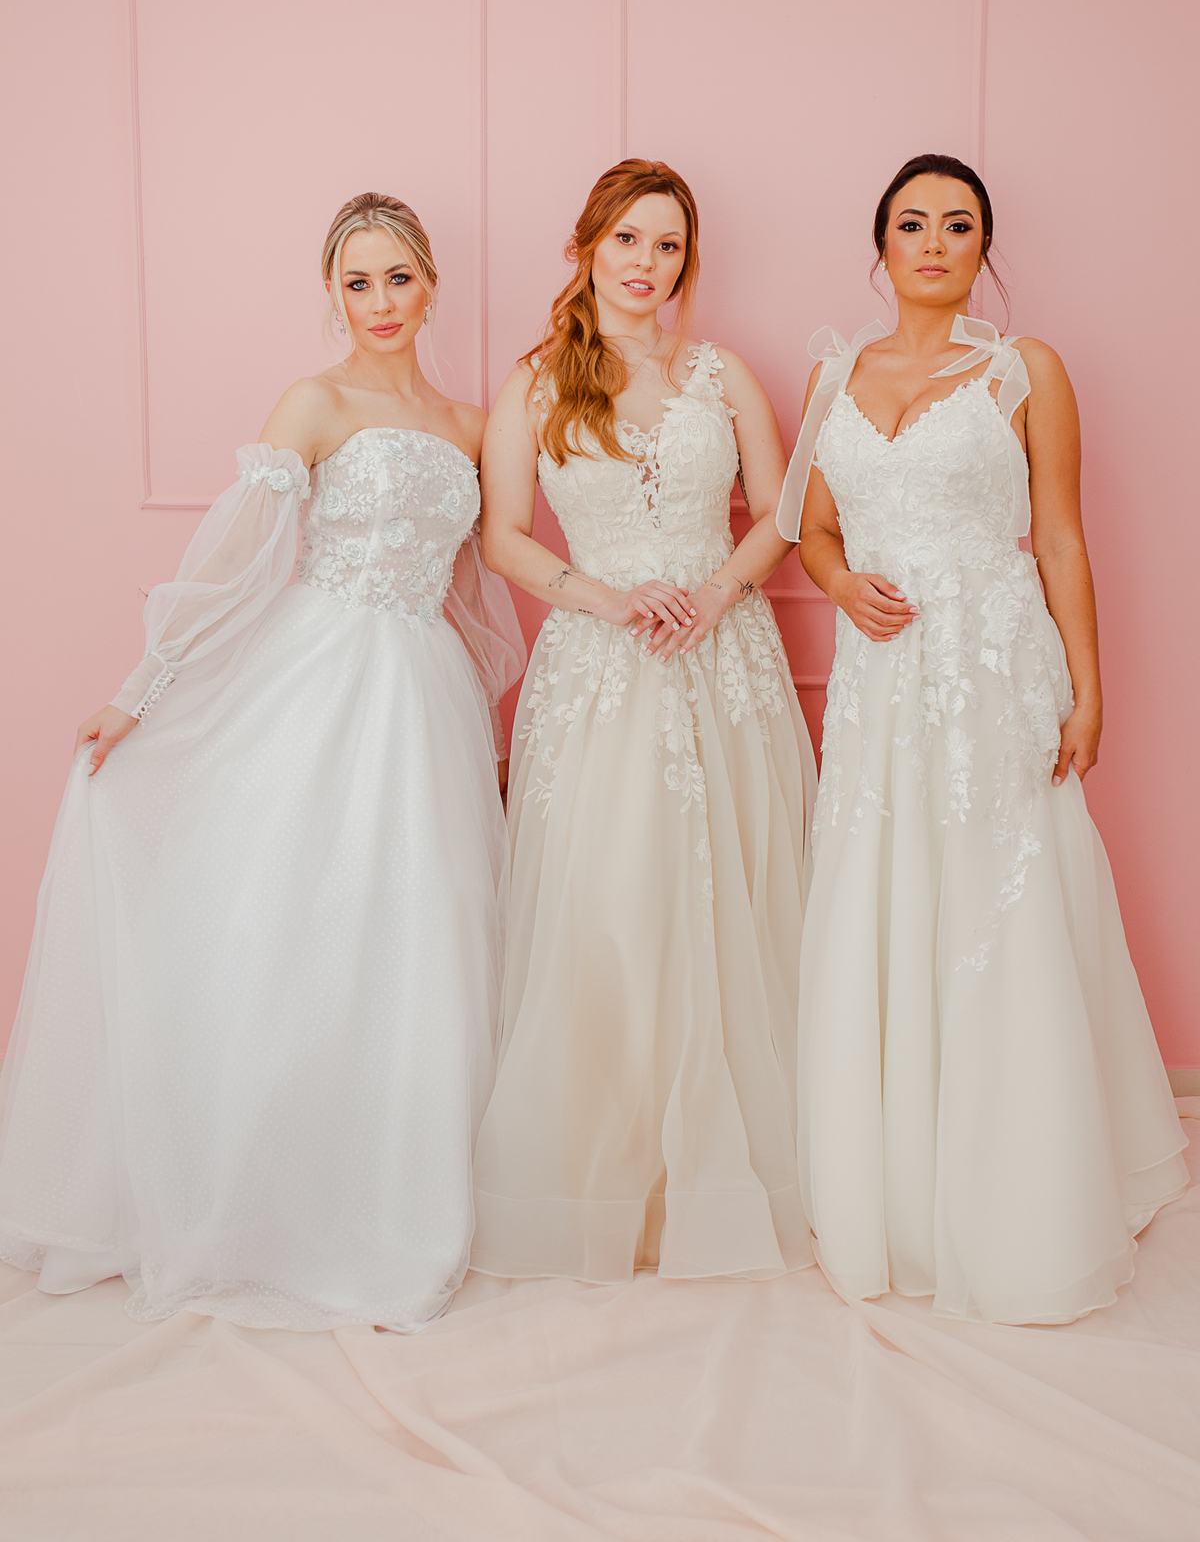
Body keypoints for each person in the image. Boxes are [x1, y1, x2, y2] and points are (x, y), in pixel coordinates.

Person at [0, 193, 525, 1331]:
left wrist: (490, 738)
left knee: (418, 928)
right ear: (332, 294)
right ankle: (249, 1195)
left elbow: (473, 589)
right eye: (357, 282)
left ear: (431, 285)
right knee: (290, 920)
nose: (380, 302)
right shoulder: (315, 401)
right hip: (321, 673)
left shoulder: (472, 423)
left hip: (424, 695)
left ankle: (388, 1187)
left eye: (398, 278)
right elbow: (241, 552)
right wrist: (142, 690)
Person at [777, 152, 1187, 1324]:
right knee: (885, 891)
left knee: (999, 900)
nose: (934, 242)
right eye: (913, 223)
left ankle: (1026, 1183)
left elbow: (1058, 536)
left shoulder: (1024, 370)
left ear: (983, 248)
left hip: (994, 667)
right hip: (882, 677)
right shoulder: (832, 374)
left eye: (958, 225)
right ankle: (895, 1178)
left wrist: (1089, 693)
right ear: (882, 244)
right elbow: (813, 528)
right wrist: (841, 584)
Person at [471, 159, 817, 1283]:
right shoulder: (536, 383)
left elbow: (783, 512)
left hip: (724, 658)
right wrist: (611, 599)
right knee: (612, 901)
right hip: (601, 663)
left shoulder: (720, 374)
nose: (646, 264)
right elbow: (504, 536)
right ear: (587, 247)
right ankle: (608, 1173)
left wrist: (713, 595)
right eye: (627, 239)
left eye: (668, 245)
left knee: (731, 900)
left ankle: (732, 1171)